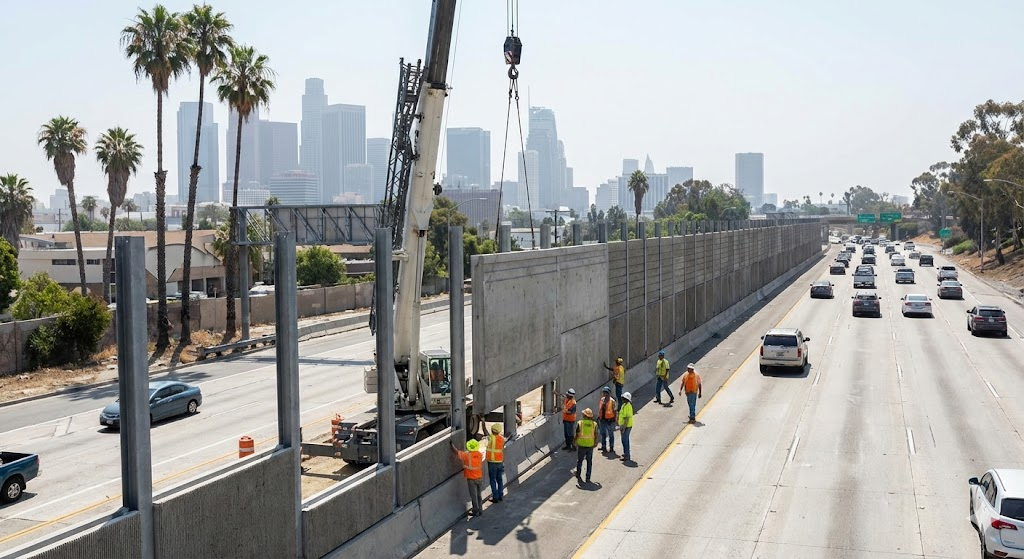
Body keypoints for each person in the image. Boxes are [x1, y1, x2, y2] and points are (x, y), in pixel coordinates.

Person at [451, 438, 485, 516]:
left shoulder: (467, 455)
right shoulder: (479, 454)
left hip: (471, 479)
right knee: (479, 494)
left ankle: (475, 510)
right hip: (479, 477)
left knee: (474, 496)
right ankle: (480, 509)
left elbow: (456, 452)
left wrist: (451, 445)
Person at [574, 408, 597, 484]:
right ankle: (588, 477)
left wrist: (574, 441)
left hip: (582, 445)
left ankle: (578, 474)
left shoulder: (580, 423)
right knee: (589, 462)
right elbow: (596, 434)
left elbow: (577, 434)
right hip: (590, 445)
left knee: (580, 461)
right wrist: (595, 442)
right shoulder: (594, 424)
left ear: (584, 415)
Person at [484, 422, 505, 502]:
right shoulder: (501, 439)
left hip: (492, 462)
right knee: (499, 479)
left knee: (493, 480)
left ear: (492, 430)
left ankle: (495, 497)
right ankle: (500, 495)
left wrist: (483, 421)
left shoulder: (490, 438)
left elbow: (485, 431)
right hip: (499, 462)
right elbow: (502, 451)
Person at [597, 386, 617, 453]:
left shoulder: (612, 401)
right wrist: (598, 416)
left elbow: (614, 411)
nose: (605, 394)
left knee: (610, 434)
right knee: (603, 434)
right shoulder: (602, 400)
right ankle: (603, 446)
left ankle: (611, 447)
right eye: (604, 393)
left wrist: (614, 420)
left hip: (610, 421)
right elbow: (600, 409)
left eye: (607, 393)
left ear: (609, 393)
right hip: (602, 420)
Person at [618, 392, 634, 462]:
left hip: (626, 426)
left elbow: (626, 418)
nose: (623, 399)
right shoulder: (624, 405)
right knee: (623, 440)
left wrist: (623, 428)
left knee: (625, 440)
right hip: (623, 425)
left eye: (624, 398)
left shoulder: (628, 406)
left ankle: (627, 455)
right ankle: (625, 453)